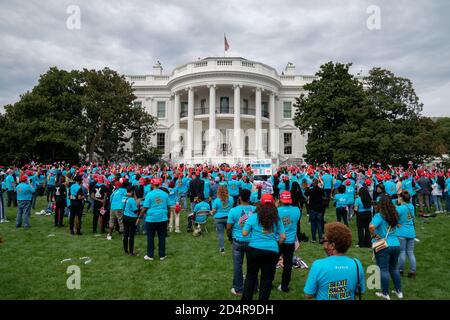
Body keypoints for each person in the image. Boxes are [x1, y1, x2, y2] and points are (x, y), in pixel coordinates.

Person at [304, 222, 365, 300]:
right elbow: (360, 291)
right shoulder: (356, 264)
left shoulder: (318, 265)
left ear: (332, 246)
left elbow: (309, 294)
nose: (323, 244)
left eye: (324, 241)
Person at [241, 194, 286, 300]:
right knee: (267, 279)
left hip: (254, 249)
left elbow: (244, 233)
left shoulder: (253, 217)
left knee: (251, 276)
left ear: (260, 204)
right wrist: (276, 244)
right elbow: (283, 236)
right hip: (271, 251)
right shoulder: (277, 219)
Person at [369, 194, 402, 300]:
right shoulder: (394, 214)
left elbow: (371, 226)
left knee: (384, 269)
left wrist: (374, 235)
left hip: (383, 244)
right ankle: (399, 292)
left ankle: (385, 293)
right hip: (396, 244)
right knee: (394, 268)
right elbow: (398, 225)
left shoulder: (379, 215)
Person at [227, 189, 256, 296]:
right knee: (252, 265)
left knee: (237, 265)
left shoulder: (233, 211)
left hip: (238, 241)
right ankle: (253, 287)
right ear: (249, 198)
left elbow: (229, 227)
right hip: (252, 241)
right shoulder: (255, 210)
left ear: (239, 197)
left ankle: (238, 288)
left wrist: (229, 237)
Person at [277, 191, 301, 293]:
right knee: (287, 264)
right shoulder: (297, 210)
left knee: (272, 261)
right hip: (290, 241)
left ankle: (269, 281)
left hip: (278, 240)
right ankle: (284, 286)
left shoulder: (277, 210)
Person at [141, 178, 170, 261]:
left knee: (150, 237)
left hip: (151, 218)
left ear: (152, 184)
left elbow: (145, 207)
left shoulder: (149, 194)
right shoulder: (165, 194)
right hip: (162, 217)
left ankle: (150, 255)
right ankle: (162, 255)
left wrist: (139, 217)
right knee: (162, 237)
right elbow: (168, 207)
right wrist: (168, 218)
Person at [396, 190, 417, 279]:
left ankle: (400, 270)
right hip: (411, 231)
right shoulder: (411, 206)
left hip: (401, 232)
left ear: (401, 198)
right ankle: (412, 271)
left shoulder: (400, 208)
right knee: (410, 252)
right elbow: (413, 218)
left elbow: (393, 218)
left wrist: (397, 223)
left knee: (402, 252)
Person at [211, 185, 234, 253]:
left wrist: (211, 212)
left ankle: (222, 249)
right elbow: (231, 207)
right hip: (228, 218)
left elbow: (214, 210)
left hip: (219, 219)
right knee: (230, 231)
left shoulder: (216, 200)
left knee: (220, 234)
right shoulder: (231, 198)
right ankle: (232, 244)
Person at [304, 179, 325, 243]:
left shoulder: (311, 190)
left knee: (313, 224)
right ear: (317, 183)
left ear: (312, 184)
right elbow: (324, 195)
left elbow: (305, 193)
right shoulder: (320, 190)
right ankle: (320, 238)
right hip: (319, 208)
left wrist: (308, 187)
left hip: (312, 208)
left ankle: (313, 238)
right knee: (319, 223)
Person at [122, 185, 139, 256]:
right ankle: (131, 252)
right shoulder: (132, 200)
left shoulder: (123, 198)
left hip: (125, 216)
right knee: (131, 235)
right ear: (132, 191)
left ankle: (126, 250)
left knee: (125, 234)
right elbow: (135, 210)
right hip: (132, 218)